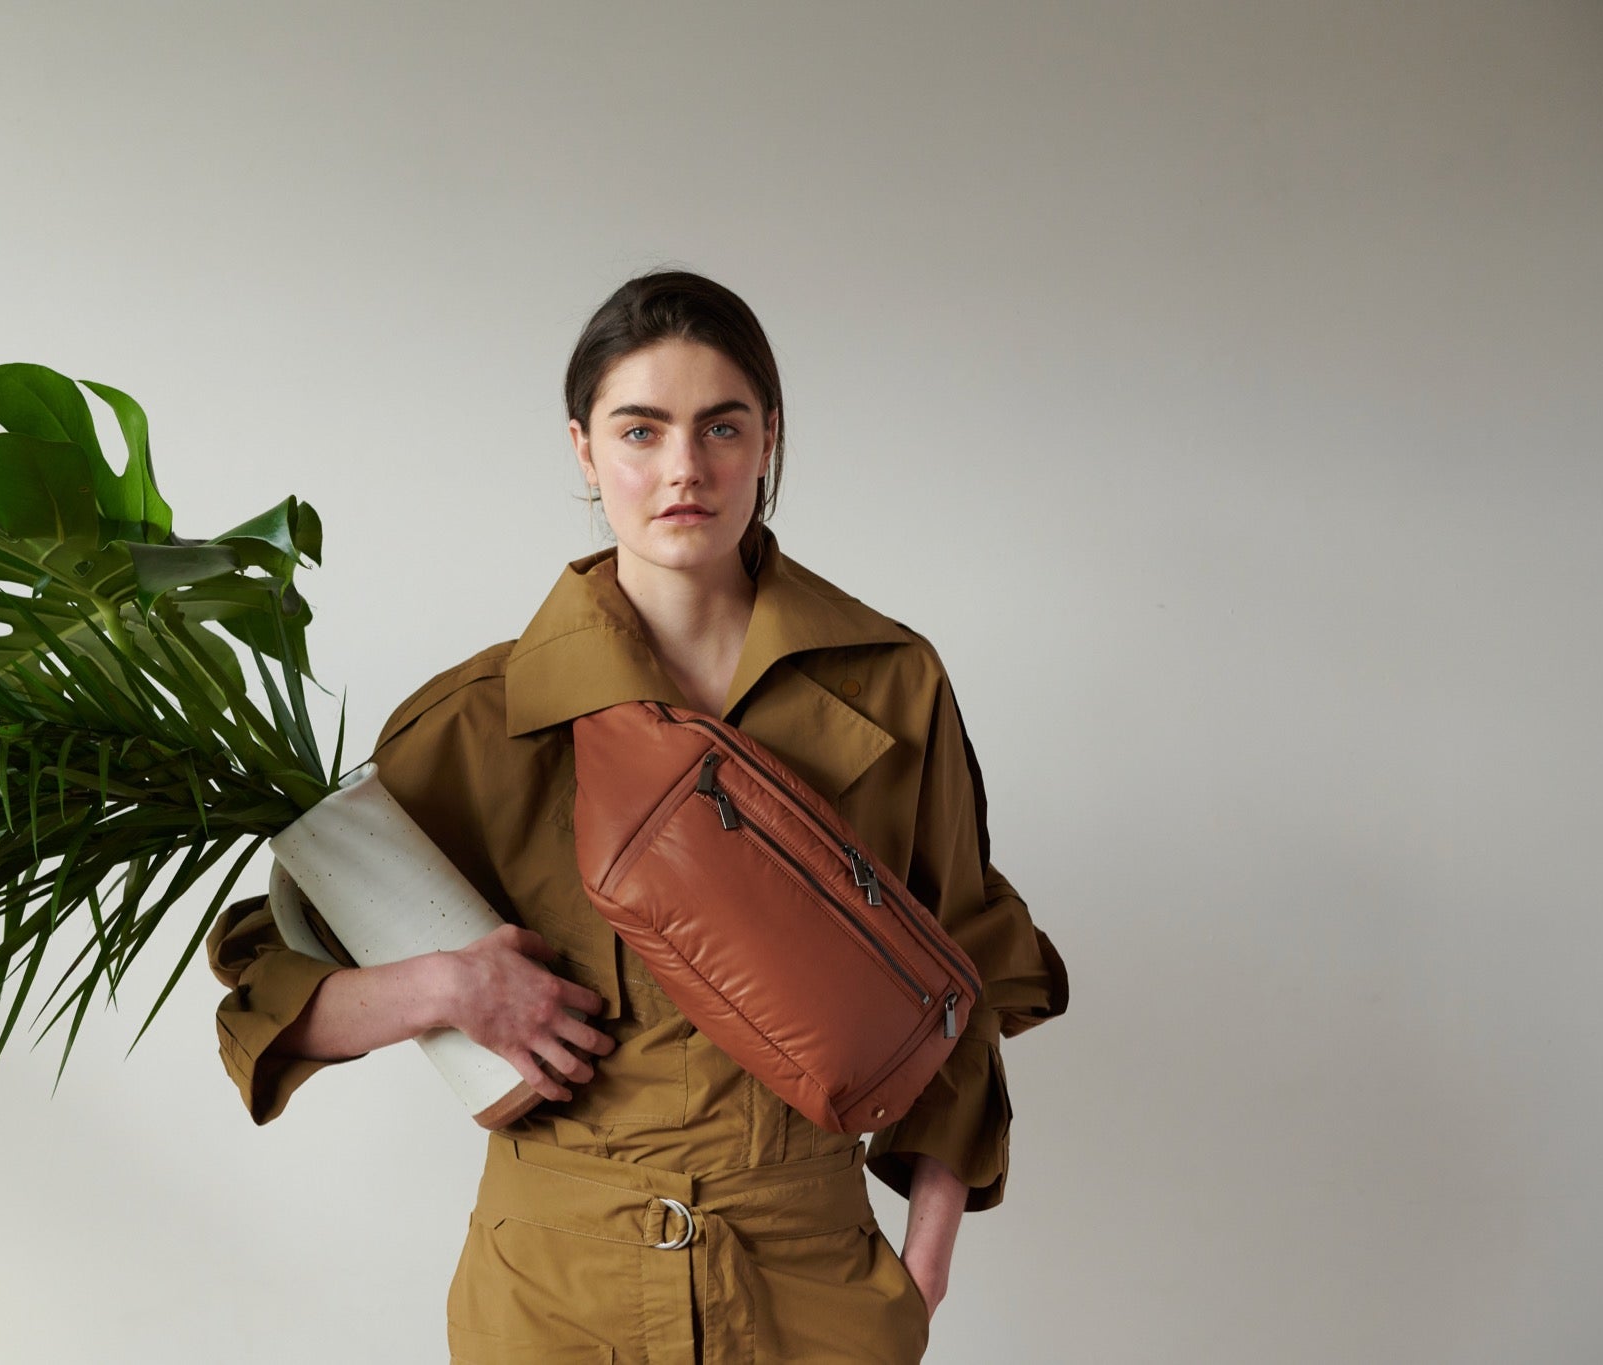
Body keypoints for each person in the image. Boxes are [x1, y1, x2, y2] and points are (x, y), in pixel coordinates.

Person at [205, 269, 1069, 1364]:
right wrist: (444, 987)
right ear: (581, 450)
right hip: (551, 1287)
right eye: (639, 430)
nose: (681, 470)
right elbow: (267, 977)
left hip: (808, 1273)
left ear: (768, 440)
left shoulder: (889, 685)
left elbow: (969, 970)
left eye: (719, 426)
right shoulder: (483, 719)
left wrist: (923, 1268)